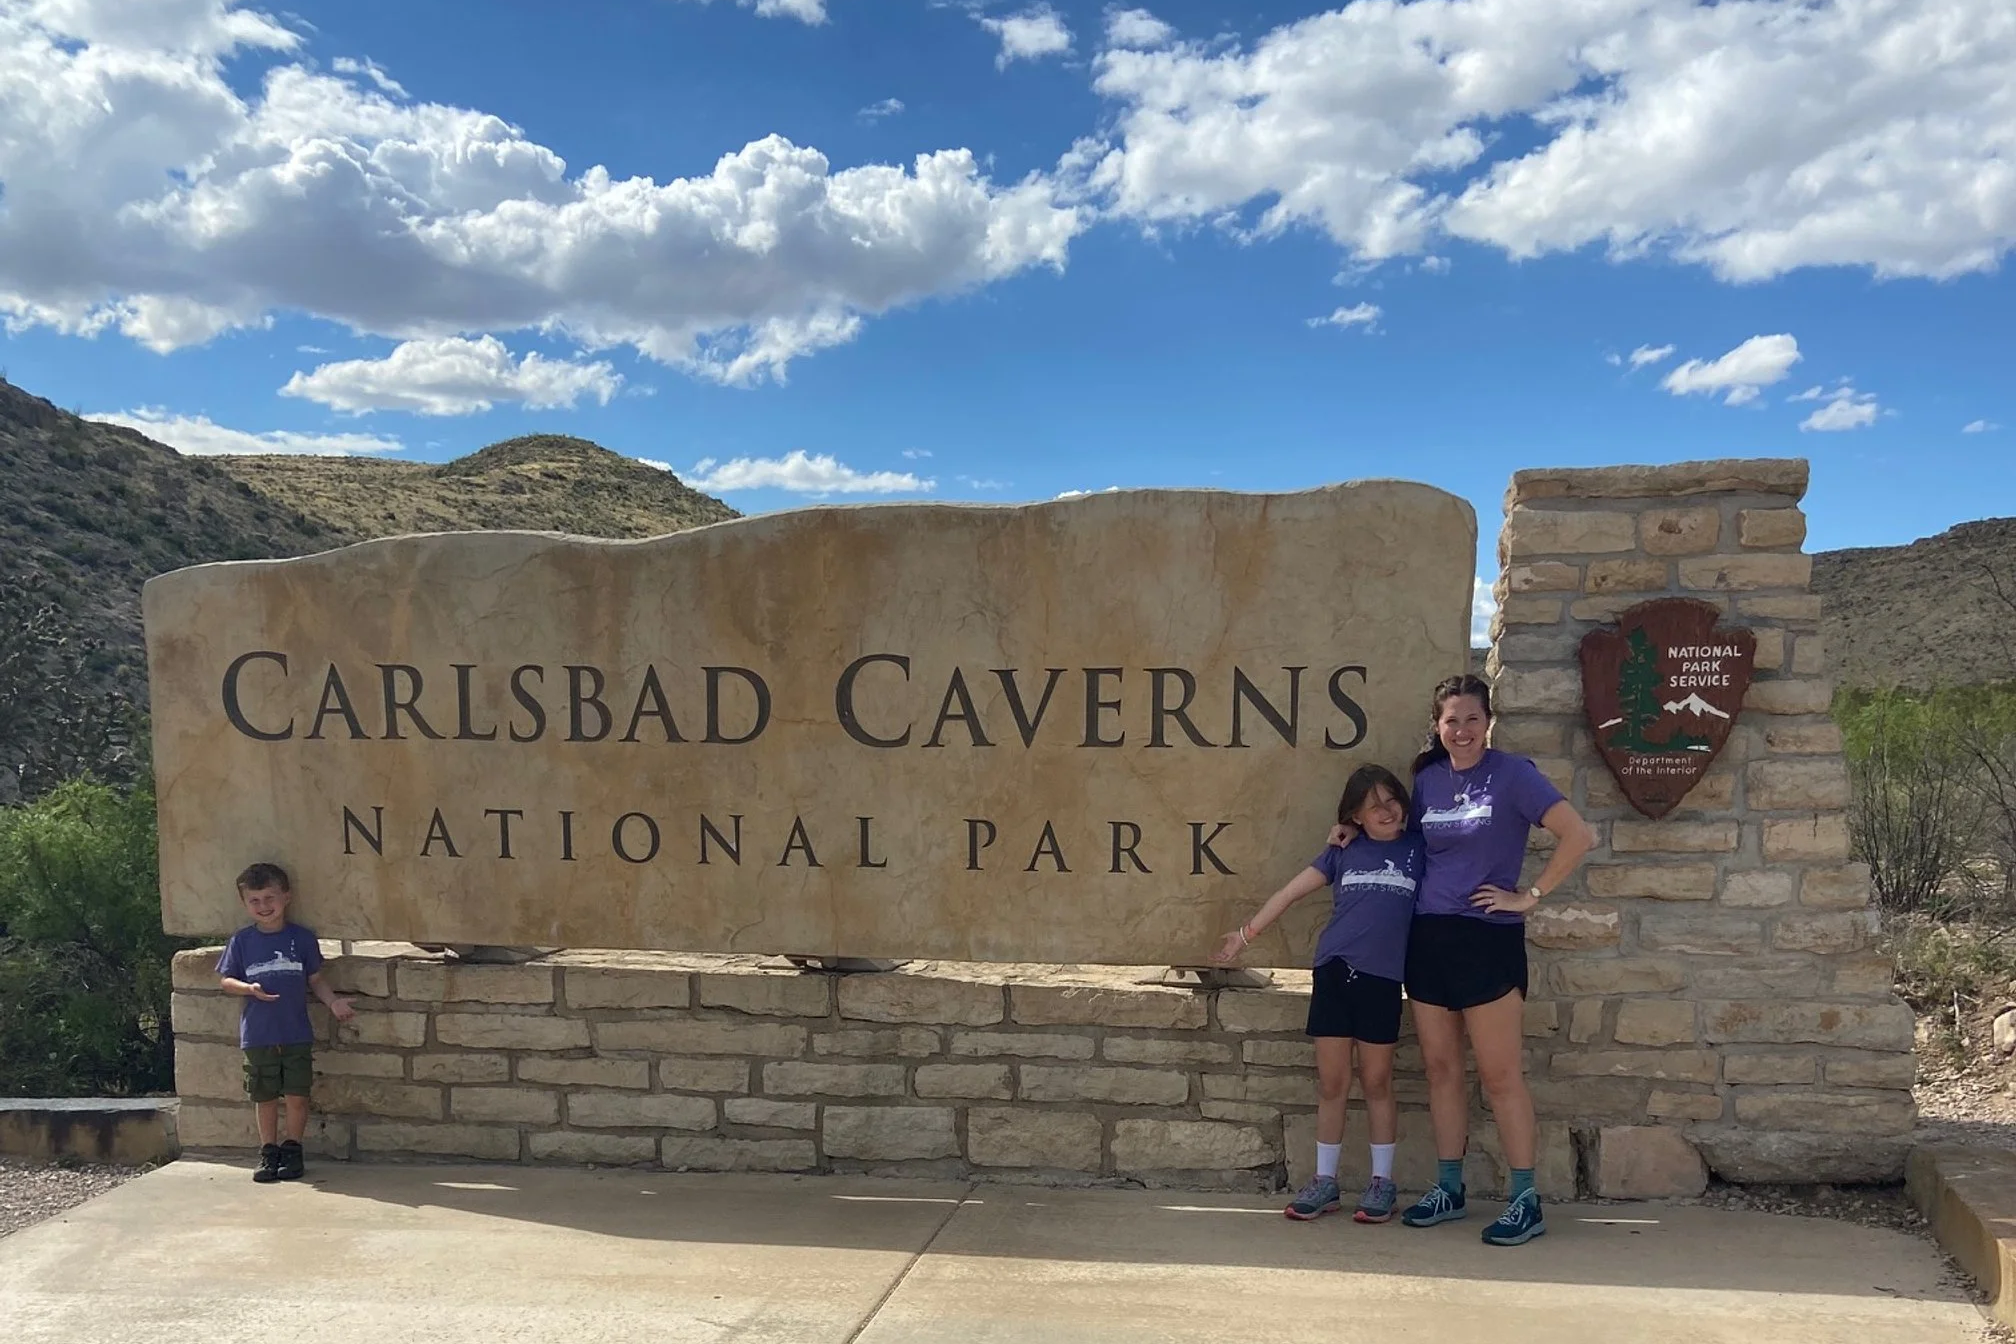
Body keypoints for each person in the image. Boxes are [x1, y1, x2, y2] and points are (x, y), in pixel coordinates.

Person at [1329, 674, 1594, 1247]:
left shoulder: (1514, 775)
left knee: (1500, 1077)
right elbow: (1403, 836)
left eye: (1473, 718)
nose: (1463, 730)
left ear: (1488, 721)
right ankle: (1450, 1188)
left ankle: (1526, 1199)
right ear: (1438, 725)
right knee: (1442, 1071)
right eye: (1452, 720)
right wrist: (1350, 832)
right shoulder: (1426, 779)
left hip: (1487, 939)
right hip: (1429, 939)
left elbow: (1578, 836)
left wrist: (1531, 896)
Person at [1213, 764, 1425, 1225]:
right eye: (1374, 805)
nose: (1386, 811)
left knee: (1377, 1081)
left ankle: (1382, 1182)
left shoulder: (1418, 849)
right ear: (1355, 815)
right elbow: (1290, 892)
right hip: (1333, 973)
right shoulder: (1341, 852)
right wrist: (1245, 935)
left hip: (1383, 981)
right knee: (1332, 1083)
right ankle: (1325, 1181)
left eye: (1392, 800)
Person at [216, 862, 355, 1183]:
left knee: (297, 1093)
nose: (264, 906)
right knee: (264, 1095)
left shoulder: (302, 938)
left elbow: (315, 979)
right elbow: (226, 981)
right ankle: (269, 1150)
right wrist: (248, 988)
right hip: (258, 1034)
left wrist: (333, 1002)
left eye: (270, 898)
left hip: (295, 1032)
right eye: (255, 900)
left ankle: (293, 1148)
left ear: (286, 897)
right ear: (244, 903)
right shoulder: (242, 941)